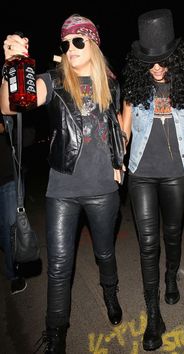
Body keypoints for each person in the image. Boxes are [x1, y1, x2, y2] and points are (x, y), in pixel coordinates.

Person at [1, 14, 123, 353]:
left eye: (78, 41)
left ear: (93, 43)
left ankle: (110, 294)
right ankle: (56, 334)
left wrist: (119, 164)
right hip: (62, 190)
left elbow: (115, 127)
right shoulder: (53, 80)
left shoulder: (110, 84)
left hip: (103, 190)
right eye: (65, 43)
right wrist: (14, 65)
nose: (70, 48)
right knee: (58, 266)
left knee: (104, 253)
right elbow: (9, 106)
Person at [121, 9, 184, 351]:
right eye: (150, 61)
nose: (156, 67)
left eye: (163, 60)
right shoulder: (135, 89)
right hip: (141, 174)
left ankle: (171, 277)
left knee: (172, 236)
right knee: (148, 245)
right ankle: (153, 316)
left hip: (175, 175)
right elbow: (125, 131)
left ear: (176, 59)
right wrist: (115, 160)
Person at [0, 114, 27, 294]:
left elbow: (19, 131)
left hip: (9, 179)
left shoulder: (7, 104)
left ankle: (14, 275)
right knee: (3, 230)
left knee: (11, 229)